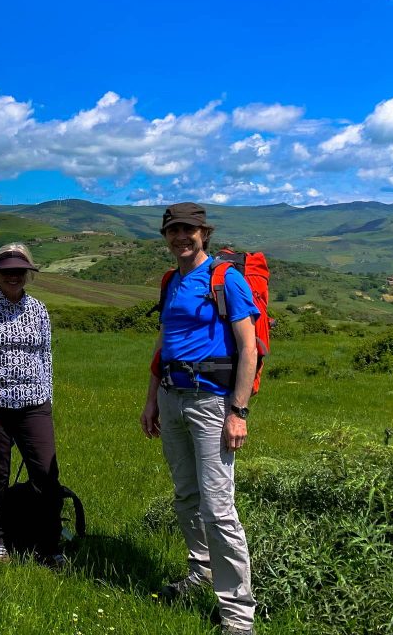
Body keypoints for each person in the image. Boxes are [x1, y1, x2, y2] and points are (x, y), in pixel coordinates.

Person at [140, 203, 259, 635]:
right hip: (172, 397)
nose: (181, 237)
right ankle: (201, 571)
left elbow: (248, 348)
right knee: (186, 495)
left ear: (203, 233)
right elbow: (164, 342)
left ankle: (238, 614)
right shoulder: (171, 280)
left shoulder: (226, 279)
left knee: (218, 507)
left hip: (212, 404)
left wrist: (238, 411)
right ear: (166, 236)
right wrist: (152, 398)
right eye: (173, 231)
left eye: (189, 230)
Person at [0, 243, 64, 567]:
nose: (13, 276)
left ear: (27, 274)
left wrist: (48, 398)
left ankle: (49, 543)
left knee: (45, 472)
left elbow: (46, 355)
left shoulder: (38, 309)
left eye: (19, 271)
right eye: (6, 272)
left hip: (34, 404)